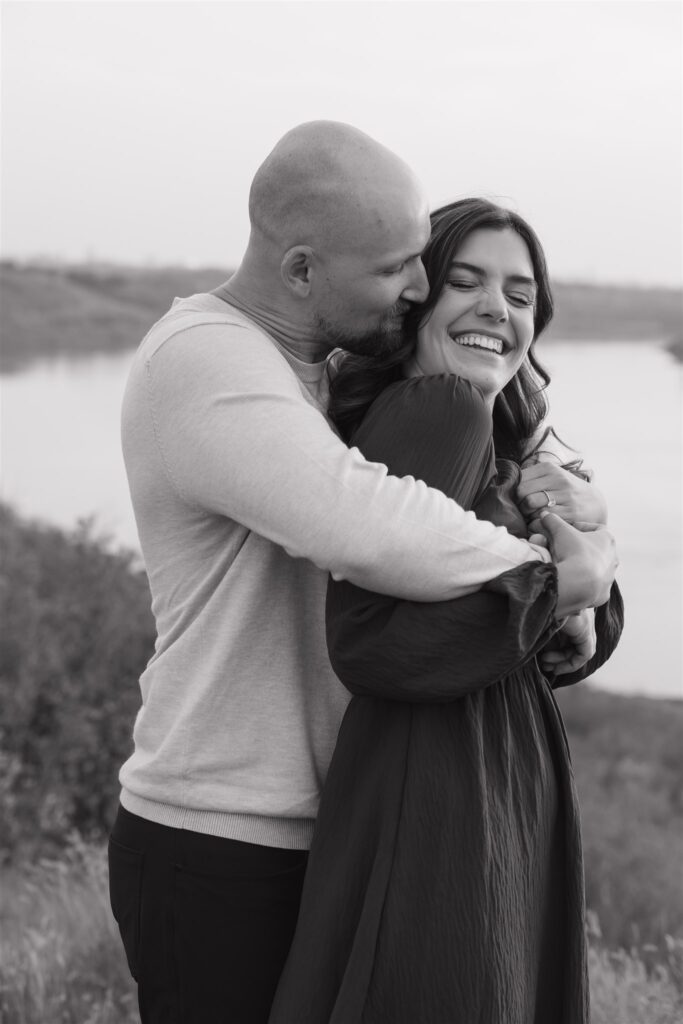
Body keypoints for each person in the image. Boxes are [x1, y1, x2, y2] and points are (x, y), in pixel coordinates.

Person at [109, 122, 618, 1024]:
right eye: (402, 271)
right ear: (303, 271)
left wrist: (584, 575)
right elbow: (373, 524)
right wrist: (561, 579)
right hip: (223, 830)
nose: (419, 287)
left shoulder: (331, 370)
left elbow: (478, 512)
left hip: (338, 822)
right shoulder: (206, 359)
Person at [268, 198, 624, 1024]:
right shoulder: (442, 411)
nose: (497, 307)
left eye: (520, 293)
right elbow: (373, 644)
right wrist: (562, 589)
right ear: (417, 299)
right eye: (464, 281)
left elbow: (551, 627)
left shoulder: (495, 432)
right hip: (438, 787)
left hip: (480, 771)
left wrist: (581, 572)